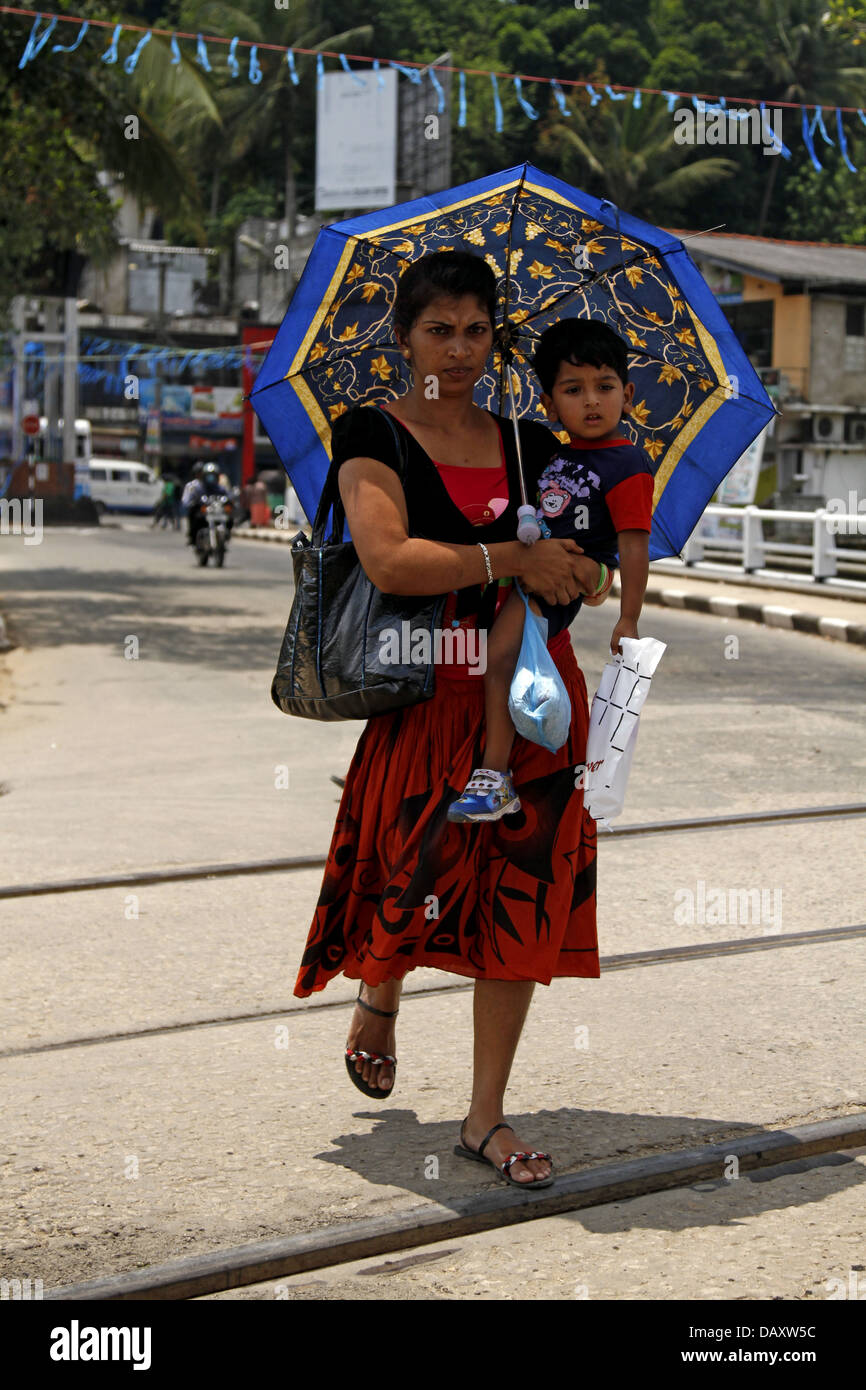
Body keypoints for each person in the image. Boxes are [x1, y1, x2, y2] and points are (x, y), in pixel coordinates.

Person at [293, 251, 614, 1189]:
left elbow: (588, 571)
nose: (462, 349)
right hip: (423, 696)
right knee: (410, 876)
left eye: (478, 330)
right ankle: (380, 998)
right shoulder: (372, 434)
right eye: (441, 329)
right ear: (405, 339)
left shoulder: (535, 446)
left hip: (532, 704)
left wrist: (579, 572)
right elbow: (391, 561)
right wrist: (510, 563)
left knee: (519, 898)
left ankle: (485, 1118)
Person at [447, 320, 651, 823]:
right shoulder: (551, 454)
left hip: (567, 580)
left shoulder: (628, 463)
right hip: (529, 571)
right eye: (573, 389)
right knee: (506, 662)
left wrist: (629, 618)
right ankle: (509, 765)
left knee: (497, 655)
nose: (591, 402)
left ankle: (495, 776)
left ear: (626, 394)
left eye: (605, 388)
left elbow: (634, 544)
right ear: (548, 402)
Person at [185, 462, 230, 549]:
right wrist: (195, 502)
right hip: (204, 512)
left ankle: (226, 536)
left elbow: (227, 496)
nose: (211, 478)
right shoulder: (199, 488)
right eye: (208, 476)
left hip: (217, 511)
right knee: (194, 515)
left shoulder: (220, 488)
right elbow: (193, 498)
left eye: (213, 475)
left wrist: (229, 500)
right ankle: (193, 538)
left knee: (230, 518)